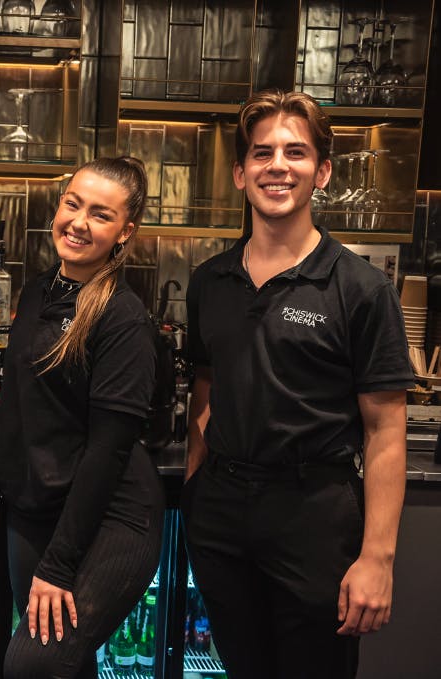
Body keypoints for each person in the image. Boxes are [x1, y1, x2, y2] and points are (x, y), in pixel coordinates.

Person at [183, 89, 413, 679]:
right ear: (240, 173)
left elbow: (386, 431)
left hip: (315, 517)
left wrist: (377, 558)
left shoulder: (361, 289)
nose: (277, 166)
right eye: (261, 154)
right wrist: (196, 490)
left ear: (323, 171)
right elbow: (204, 392)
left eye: (295, 152)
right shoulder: (210, 281)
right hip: (223, 518)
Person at [0, 156, 165, 679]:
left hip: (109, 515)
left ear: (125, 231)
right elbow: (17, 401)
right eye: (73, 204)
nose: (79, 223)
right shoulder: (38, 291)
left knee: (31, 666)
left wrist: (58, 566)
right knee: (66, 667)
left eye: (100, 215)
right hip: (37, 507)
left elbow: (109, 451)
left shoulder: (122, 317)